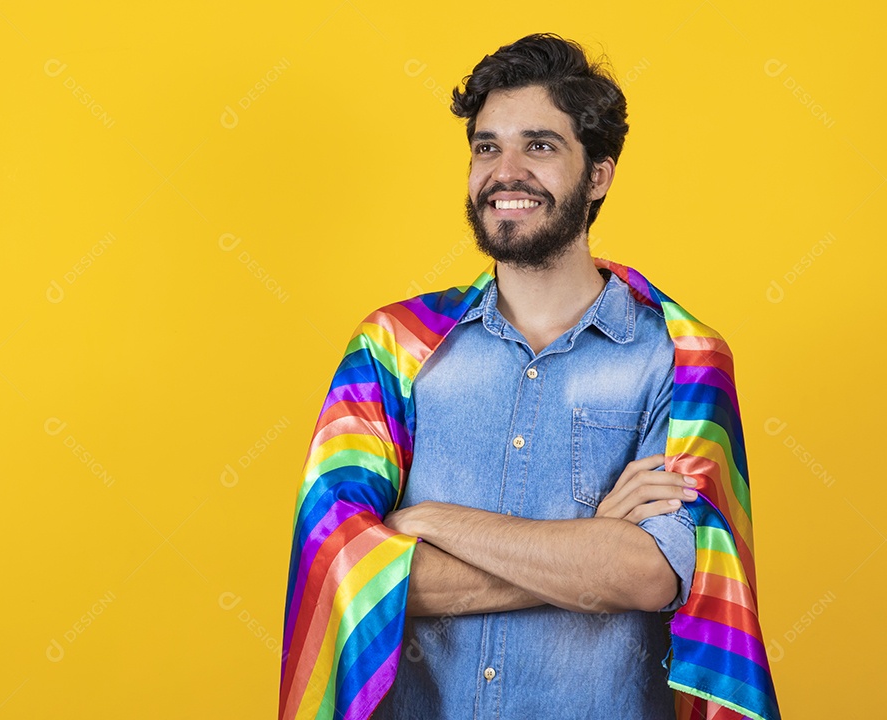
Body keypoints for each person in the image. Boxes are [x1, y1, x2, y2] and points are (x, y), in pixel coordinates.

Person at [280, 33, 778, 720]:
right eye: (487, 147)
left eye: (539, 146)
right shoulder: (390, 349)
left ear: (598, 175)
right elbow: (339, 572)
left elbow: (652, 574)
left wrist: (428, 522)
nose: (505, 172)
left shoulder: (682, 358)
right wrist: (589, 549)